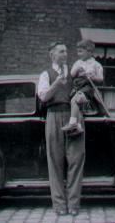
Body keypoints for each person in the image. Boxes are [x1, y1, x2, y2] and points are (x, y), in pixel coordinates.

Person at [38, 42, 85, 216]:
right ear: (52, 55)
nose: (65, 54)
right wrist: (57, 83)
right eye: (61, 51)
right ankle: (59, 205)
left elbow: (85, 92)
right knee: (55, 161)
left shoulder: (74, 72)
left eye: (66, 51)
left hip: (74, 115)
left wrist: (82, 98)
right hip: (53, 115)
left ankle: (74, 205)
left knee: (76, 160)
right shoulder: (45, 74)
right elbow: (44, 97)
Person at [61, 39, 103, 135]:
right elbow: (72, 74)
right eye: (78, 51)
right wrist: (76, 69)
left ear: (90, 52)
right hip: (77, 87)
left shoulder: (96, 65)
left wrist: (93, 77)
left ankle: (72, 123)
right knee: (77, 105)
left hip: (87, 88)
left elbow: (100, 79)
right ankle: (78, 126)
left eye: (81, 51)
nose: (78, 54)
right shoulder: (78, 63)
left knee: (75, 101)